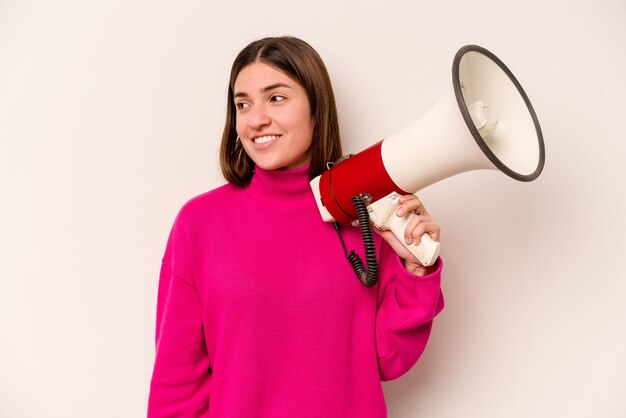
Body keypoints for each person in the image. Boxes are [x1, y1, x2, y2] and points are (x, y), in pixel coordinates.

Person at [148, 36, 444, 417]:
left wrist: (415, 269)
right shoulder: (199, 223)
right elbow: (177, 380)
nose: (256, 119)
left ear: (316, 108)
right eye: (243, 104)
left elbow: (388, 361)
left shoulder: (365, 212)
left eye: (276, 98)